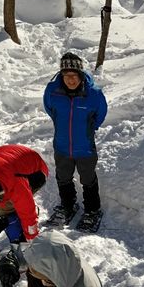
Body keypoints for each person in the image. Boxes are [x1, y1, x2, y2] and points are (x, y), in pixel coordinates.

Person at [43, 52, 108, 230]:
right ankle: (68, 205)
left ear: (80, 75)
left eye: (74, 75)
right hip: (62, 145)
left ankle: (92, 210)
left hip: (85, 146)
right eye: (66, 75)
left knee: (87, 178)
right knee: (63, 177)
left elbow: (100, 114)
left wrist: (89, 128)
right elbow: (49, 109)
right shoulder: (52, 91)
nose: (70, 79)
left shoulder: (93, 94)